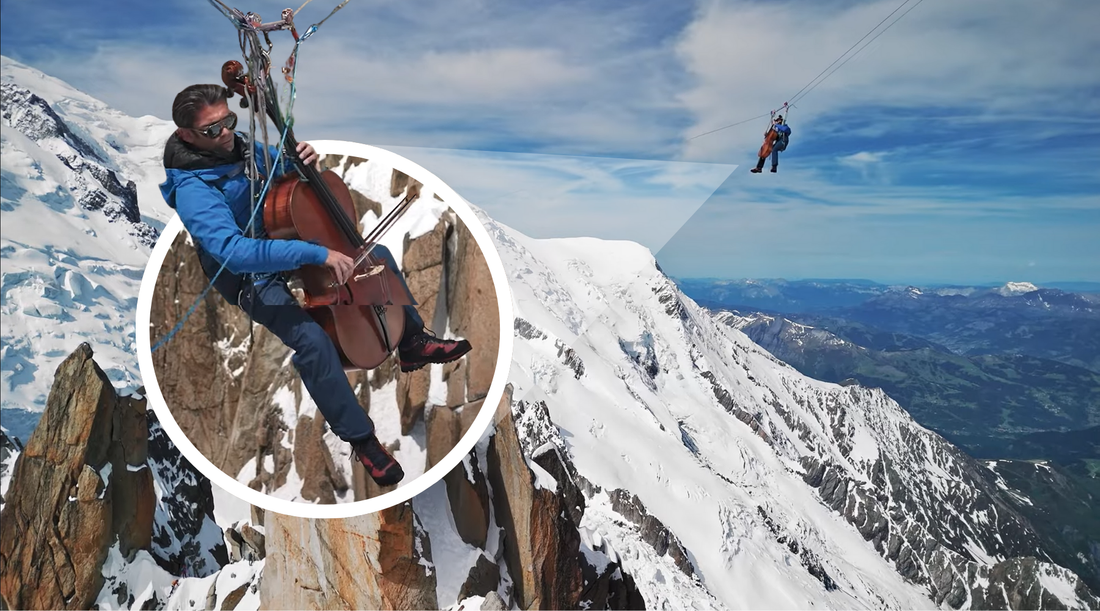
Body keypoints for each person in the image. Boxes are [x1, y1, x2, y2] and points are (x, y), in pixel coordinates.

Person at [159, 84, 472, 488]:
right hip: (250, 275)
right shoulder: (193, 190)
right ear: (186, 136)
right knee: (311, 341)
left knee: (375, 259)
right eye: (211, 130)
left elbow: (283, 174)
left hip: (284, 237)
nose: (224, 134)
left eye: (229, 122)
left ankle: (411, 342)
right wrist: (313, 254)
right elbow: (234, 252)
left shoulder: (240, 147)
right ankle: (362, 440)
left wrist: (298, 159)